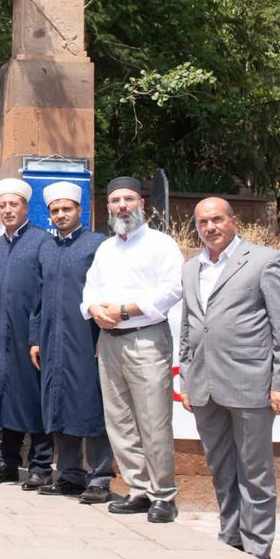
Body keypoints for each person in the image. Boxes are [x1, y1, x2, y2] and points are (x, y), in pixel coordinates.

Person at [179, 197, 280, 559]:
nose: (210, 227)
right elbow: (188, 327)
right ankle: (231, 539)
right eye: (202, 222)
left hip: (250, 383)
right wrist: (187, 378)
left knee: (255, 472)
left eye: (217, 220)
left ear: (233, 221)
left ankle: (258, 550)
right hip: (205, 387)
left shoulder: (265, 261)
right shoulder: (191, 268)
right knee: (221, 468)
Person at [82, 176, 184, 522]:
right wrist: (94, 310)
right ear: (108, 207)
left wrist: (127, 310)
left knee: (153, 419)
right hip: (108, 341)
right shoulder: (106, 248)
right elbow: (90, 288)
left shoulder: (161, 244)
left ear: (142, 203)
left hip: (146, 338)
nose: (122, 206)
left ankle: (164, 495)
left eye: (128, 199)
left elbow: (172, 289)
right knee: (120, 420)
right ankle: (138, 489)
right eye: (115, 201)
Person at [33, 181, 114, 504]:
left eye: (66, 209)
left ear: (80, 210)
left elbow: (109, 291)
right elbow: (37, 299)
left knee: (90, 404)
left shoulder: (98, 244)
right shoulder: (47, 247)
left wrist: (104, 337)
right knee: (58, 402)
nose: (61, 214)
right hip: (51, 339)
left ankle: (100, 476)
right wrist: (34, 339)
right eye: (55, 210)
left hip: (87, 339)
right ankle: (69, 474)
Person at [0, 178, 54, 489]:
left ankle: (41, 465)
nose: (7, 210)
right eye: (2, 205)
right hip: (0, 336)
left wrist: (36, 337)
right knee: (5, 395)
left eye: (13, 204)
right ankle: (7, 463)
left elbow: (45, 294)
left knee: (33, 398)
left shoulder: (42, 242)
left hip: (29, 338)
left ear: (26, 208)